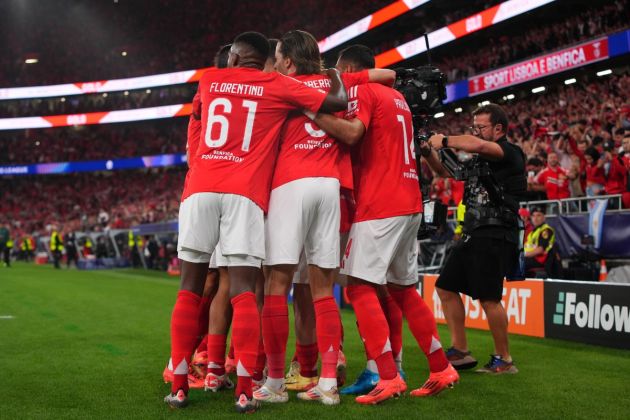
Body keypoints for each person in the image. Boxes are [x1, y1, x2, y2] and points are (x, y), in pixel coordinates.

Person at [164, 31, 347, 414]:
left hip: (200, 187)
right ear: (266, 59)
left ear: (232, 57)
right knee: (245, 290)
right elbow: (335, 101)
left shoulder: (209, 80)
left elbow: (202, 116)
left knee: (190, 287)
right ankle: (246, 389)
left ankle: (180, 384)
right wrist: (332, 73)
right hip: (246, 193)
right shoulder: (274, 84)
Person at [312, 44, 457, 405]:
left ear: (346, 67)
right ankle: (441, 366)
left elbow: (352, 134)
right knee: (404, 290)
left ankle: (388, 375)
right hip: (409, 201)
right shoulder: (399, 99)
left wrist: (313, 111)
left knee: (358, 288)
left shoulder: (361, 90)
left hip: (381, 203)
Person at [425, 103, 526, 374]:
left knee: (489, 298)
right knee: (445, 287)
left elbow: (478, 146)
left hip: (495, 231)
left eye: (481, 127)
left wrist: (444, 140)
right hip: (473, 232)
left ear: (498, 129)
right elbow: (449, 173)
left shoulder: (509, 151)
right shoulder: (481, 159)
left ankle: (504, 359)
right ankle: (460, 350)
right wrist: (429, 152)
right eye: (476, 127)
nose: (477, 132)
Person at [524, 207, 555, 273]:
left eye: (538, 215)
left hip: (540, 260)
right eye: (533, 216)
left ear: (544, 217)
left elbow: (540, 250)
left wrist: (524, 254)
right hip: (531, 258)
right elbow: (527, 246)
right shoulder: (533, 232)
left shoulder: (546, 230)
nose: (535, 218)